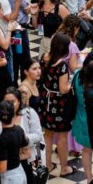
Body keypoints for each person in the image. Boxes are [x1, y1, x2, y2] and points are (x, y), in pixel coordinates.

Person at [38, 34, 75, 175]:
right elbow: (63, 88)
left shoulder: (44, 57)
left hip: (45, 100)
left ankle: (48, 164)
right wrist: (71, 85)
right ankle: (64, 167)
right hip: (59, 104)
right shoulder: (62, 65)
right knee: (62, 136)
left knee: (47, 134)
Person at [0, 100, 28, 184]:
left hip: (10, 178)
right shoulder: (19, 130)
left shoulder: (2, 139)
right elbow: (27, 153)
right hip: (21, 173)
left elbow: (2, 169)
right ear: (13, 114)